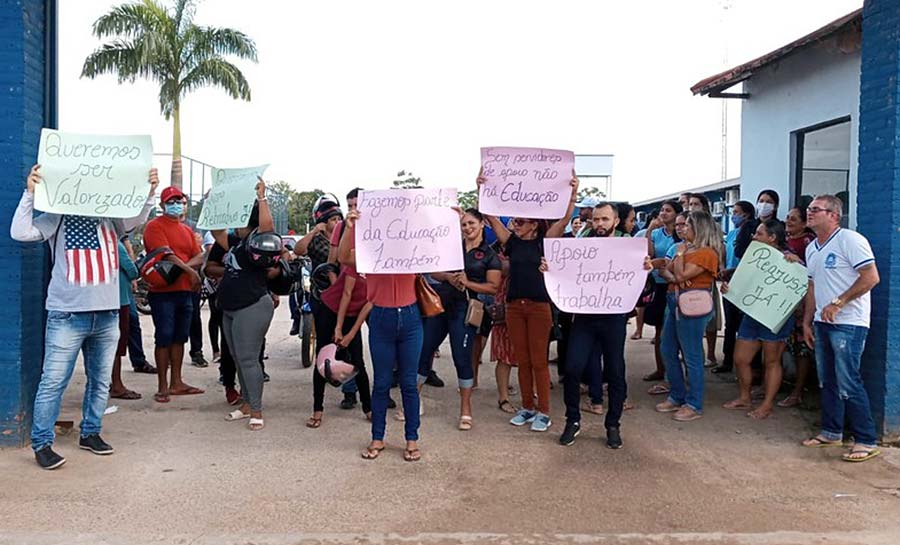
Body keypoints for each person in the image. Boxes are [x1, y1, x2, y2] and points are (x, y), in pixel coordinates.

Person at [10, 164, 158, 469]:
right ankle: (42, 443)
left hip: (106, 314)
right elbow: (21, 232)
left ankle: (91, 432)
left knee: (100, 381)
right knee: (53, 382)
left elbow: (135, 220)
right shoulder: (58, 215)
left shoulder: (111, 217)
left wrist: (149, 191)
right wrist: (30, 193)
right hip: (67, 314)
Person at [480, 172, 579, 432]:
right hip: (514, 307)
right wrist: (482, 187)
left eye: (521, 222)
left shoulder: (545, 242)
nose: (515, 224)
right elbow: (490, 217)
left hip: (538, 307)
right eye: (515, 221)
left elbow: (566, 217)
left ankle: (543, 411)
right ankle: (526, 407)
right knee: (521, 360)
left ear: (534, 225)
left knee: (539, 361)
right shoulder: (511, 242)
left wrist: (572, 191)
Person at [556, 202, 651, 448]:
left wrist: (645, 271)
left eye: (604, 219)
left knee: (616, 372)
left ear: (615, 221)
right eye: (596, 219)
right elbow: (564, 271)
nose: (599, 224)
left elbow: (641, 285)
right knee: (573, 369)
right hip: (584, 318)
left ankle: (613, 425)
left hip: (613, 319)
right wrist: (550, 269)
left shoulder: (629, 247)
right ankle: (572, 420)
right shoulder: (580, 244)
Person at [339, 208, 424, 462]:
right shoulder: (369, 252)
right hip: (382, 318)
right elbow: (343, 256)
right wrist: (351, 227)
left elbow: (442, 248)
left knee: (409, 383)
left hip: (410, 318)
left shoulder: (414, 249)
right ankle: (378, 437)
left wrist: (449, 219)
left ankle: (412, 439)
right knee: (382, 383)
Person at [801, 195, 881, 462]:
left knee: (848, 380)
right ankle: (831, 431)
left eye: (815, 210)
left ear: (834, 215)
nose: (809, 213)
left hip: (849, 323)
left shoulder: (850, 240)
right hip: (822, 324)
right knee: (828, 379)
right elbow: (812, 286)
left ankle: (866, 439)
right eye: (809, 209)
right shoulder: (812, 248)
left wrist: (839, 302)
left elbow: (871, 277)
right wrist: (807, 320)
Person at [414, 209, 501, 430]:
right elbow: (434, 272)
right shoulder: (451, 247)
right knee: (424, 351)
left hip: (465, 309)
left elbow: (493, 286)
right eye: (463, 225)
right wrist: (449, 278)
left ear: (482, 224)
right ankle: (413, 402)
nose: (468, 228)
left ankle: (465, 408)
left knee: (462, 358)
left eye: (471, 223)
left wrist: (468, 283)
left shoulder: (489, 255)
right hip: (441, 307)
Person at [212, 180, 281, 431]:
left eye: (238, 221)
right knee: (239, 359)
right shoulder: (237, 243)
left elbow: (268, 227)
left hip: (251, 306)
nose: (234, 226)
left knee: (250, 360)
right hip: (229, 308)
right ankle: (245, 404)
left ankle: (257, 410)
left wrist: (262, 198)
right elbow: (216, 233)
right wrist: (214, 205)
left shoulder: (256, 241)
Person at [721, 220, 799, 419]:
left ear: (772, 238)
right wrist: (730, 288)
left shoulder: (789, 259)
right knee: (740, 359)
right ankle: (744, 397)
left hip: (775, 317)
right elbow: (743, 282)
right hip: (752, 314)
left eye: (759, 233)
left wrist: (795, 262)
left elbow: (800, 284)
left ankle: (766, 405)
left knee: (771, 361)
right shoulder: (752, 257)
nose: (754, 237)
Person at [655, 211, 723, 422]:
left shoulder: (706, 253)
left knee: (692, 355)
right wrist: (675, 274)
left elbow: (680, 274)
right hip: (675, 300)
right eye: (682, 226)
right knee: (667, 348)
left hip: (692, 304)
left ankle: (694, 402)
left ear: (699, 228)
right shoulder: (682, 249)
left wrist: (678, 267)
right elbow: (665, 273)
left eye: (687, 225)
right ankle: (677, 394)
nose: (682, 228)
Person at [142, 186, 205, 403]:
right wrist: (189, 270)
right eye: (172, 200)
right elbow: (164, 255)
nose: (176, 204)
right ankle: (162, 385)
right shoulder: (153, 227)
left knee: (180, 337)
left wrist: (185, 268)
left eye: (180, 200)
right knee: (164, 336)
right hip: (162, 292)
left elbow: (200, 256)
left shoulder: (187, 230)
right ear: (162, 205)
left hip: (184, 291)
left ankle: (176, 382)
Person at [306, 233, 373, 428]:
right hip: (331, 308)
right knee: (324, 358)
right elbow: (346, 294)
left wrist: (351, 333)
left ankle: (368, 408)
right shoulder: (356, 259)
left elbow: (370, 303)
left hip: (354, 313)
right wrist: (338, 328)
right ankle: (317, 409)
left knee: (357, 360)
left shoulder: (382, 269)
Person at [779, 206, 817, 407]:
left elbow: (813, 274)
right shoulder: (783, 240)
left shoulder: (809, 243)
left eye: (794, 219)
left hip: (802, 303)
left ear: (804, 223)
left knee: (802, 348)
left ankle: (798, 391)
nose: (789, 221)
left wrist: (799, 262)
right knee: (783, 345)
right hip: (783, 302)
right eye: (787, 218)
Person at [643, 200, 683, 382]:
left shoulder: (681, 234)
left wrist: (661, 264)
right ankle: (660, 369)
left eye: (668, 210)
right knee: (660, 330)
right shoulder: (656, 233)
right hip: (658, 284)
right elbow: (649, 254)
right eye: (662, 210)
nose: (663, 213)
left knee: (679, 331)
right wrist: (650, 230)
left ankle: (678, 373)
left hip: (678, 284)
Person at [717, 201, 756, 376]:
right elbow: (725, 254)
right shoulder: (732, 233)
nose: (734, 215)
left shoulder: (751, 234)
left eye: (737, 212)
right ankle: (727, 359)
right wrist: (723, 269)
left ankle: (747, 364)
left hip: (745, 283)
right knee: (730, 325)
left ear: (747, 214)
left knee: (744, 326)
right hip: (729, 284)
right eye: (733, 212)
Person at [110, 237, 142, 400]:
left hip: (103, 298)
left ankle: (107, 382)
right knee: (116, 345)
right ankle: (117, 384)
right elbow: (131, 269)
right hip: (119, 298)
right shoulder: (115, 243)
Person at [490, 239, 518, 414]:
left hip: (528, 305)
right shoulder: (496, 253)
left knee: (531, 356)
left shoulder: (537, 245)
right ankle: (503, 397)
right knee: (504, 355)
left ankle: (532, 395)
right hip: (504, 307)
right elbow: (504, 269)